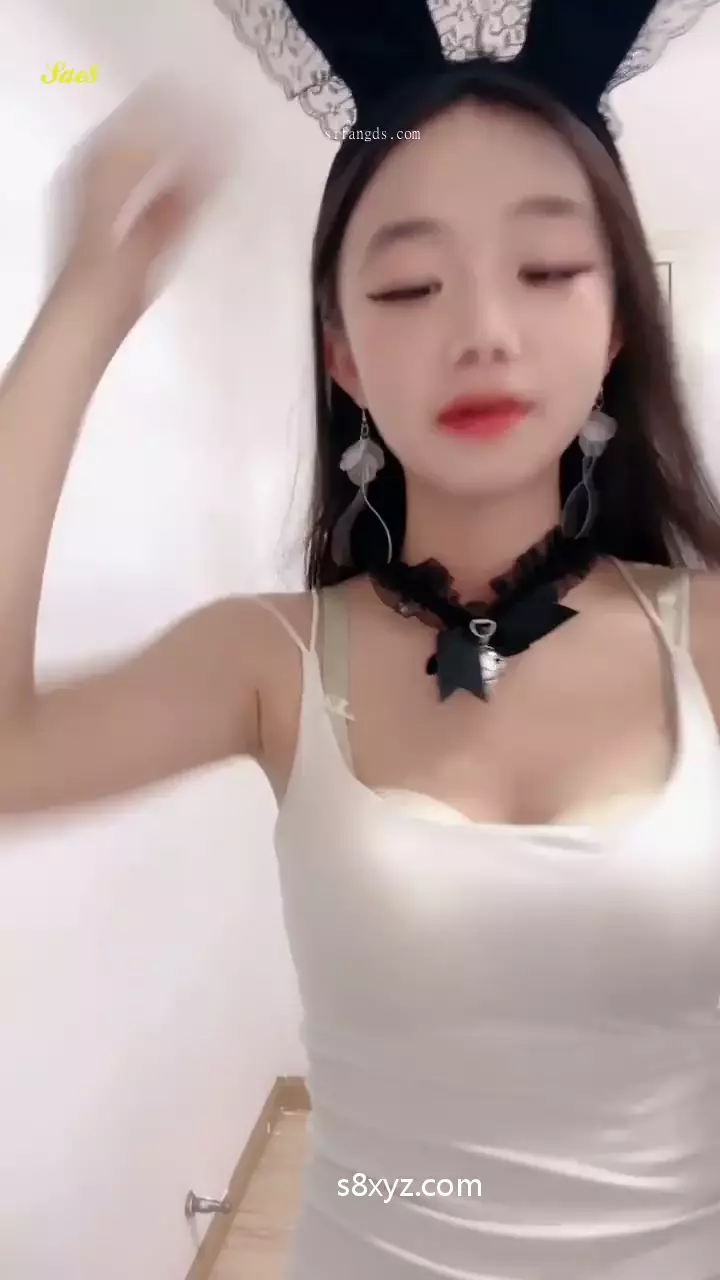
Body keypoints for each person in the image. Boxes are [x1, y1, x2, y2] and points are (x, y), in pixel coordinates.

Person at [3, 3, 720, 1274]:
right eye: (408, 284)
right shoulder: (270, 662)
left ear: (618, 322)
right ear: (341, 351)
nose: (483, 327)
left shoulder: (706, 639)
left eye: (547, 269)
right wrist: (86, 304)